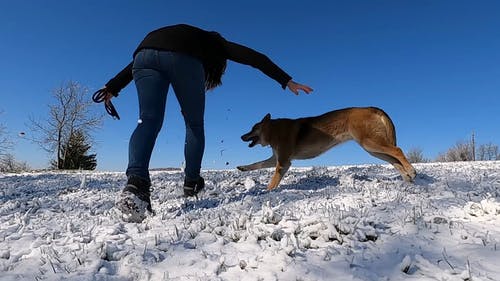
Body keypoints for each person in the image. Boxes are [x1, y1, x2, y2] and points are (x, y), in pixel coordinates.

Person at [99, 23, 313, 222]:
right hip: (184, 59)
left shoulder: (172, 36)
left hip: (143, 53)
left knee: (147, 120)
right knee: (194, 124)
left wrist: (112, 87)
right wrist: (286, 80)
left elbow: (148, 56)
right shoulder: (215, 43)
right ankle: (191, 182)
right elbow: (253, 57)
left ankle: (136, 184)